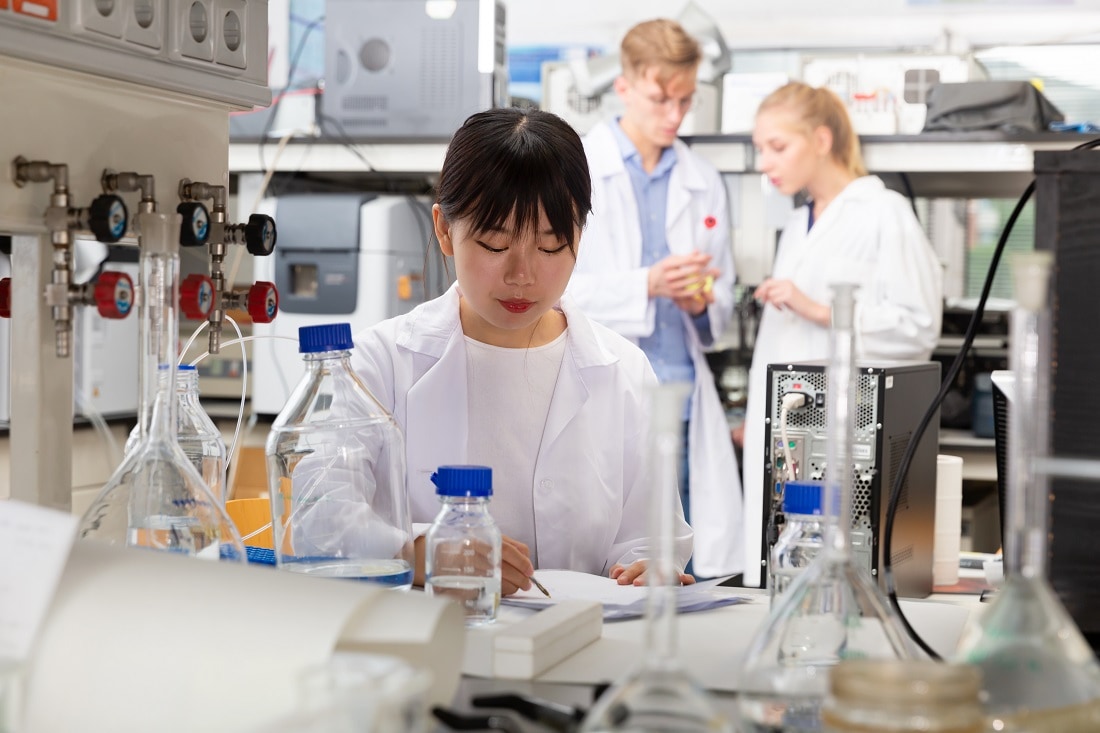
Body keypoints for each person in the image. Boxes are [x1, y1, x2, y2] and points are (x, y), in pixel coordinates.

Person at [349, 107, 695, 596]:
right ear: (445, 229)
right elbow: (322, 520)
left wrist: (648, 567)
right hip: (425, 651)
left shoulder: (623, 372)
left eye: (552, 245)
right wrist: (421, 553)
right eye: (494, 243)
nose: (522, 274)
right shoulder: (377, 364)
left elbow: (649, 537)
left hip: (583, 653)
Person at [739, 81, 944, 586]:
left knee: (837, 576)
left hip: (844, 431)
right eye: (759, 148)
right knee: (774, 566)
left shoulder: (883, 213)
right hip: (782, 427)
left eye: (777, 147)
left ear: (822, 140)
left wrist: (816, 308)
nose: (765, 162)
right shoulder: (794, 224)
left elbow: (918, 326)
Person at [566, 18, 743, 578]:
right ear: (623, 86)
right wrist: (648, 283)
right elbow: (549, 289)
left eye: (686, 101)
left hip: (679, 392)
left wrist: (700, 302)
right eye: (661, 98)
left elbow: (723, 309)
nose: (674, 114)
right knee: (599, 532)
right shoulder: (577, 170)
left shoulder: (704, 181)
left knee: (674, 549)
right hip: (595, 381)